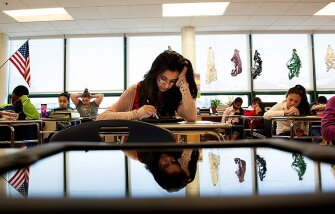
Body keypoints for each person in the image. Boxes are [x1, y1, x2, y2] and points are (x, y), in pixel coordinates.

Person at [97, 50, 198, 121]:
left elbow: (191, 117)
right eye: (163, 79)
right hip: (136, 147)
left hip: (167, 148)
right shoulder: (136, 89)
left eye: (172, 81)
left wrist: (183, 84)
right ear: (155, 73)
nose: (167, 85)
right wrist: (137, 114)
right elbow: (102, 117)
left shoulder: (173, 92)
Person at [124, 147, 199, 192]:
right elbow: (193, 147)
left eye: (165, 165)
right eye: (174, 161)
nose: (168, 159)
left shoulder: (138, 155)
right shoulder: (175, 151)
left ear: (159, 171)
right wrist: (187, 173)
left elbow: (123, 136)